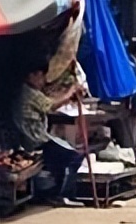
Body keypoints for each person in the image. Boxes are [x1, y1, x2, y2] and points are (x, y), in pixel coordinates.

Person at [13, 60, 85, 206]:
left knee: (64, 152)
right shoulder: (28, 92)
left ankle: (50, 191)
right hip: (34, 139)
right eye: (41, 76)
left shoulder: (28, 91)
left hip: (33, 136)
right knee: (74, 156)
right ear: (32, 75)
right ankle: (60, 194)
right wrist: (71, 90)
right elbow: (51, 105)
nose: (43, 80)